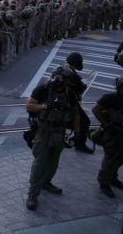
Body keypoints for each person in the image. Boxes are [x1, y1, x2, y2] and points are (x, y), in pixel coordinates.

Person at [25, 66, 78, 210]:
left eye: (61, 78)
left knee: (53, 161)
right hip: (43, 130)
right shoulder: (43, 89)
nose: (57, 80)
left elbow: (76, 113)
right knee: (40, 163)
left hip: (59, 132)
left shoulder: (69, 95)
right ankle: (33, 194)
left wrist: (77, 134)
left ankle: (46, 182)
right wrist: (46, 106)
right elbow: (29, 106)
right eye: (56, 76)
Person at [92, 75, 123, 198]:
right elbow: (96, 109)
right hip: (113, 133)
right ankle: (104, 181)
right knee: (110, 158)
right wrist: (106, 124)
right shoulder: (111, 97)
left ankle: (112, 178)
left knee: (120, 158)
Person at [63, 51, 94, 153]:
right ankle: (79, 144)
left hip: (59, 101)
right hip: (69, 102)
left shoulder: (61, 68)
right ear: (76, 63)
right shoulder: (71, 74)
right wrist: (83, 86)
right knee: (85, 122)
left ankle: (63, 138)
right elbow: (79, 88)